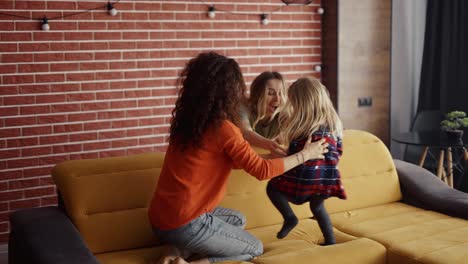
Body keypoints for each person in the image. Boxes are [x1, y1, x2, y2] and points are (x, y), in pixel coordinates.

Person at [149, 53, 329, 264]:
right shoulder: (224, 129)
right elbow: (262, 171)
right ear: (228, 90)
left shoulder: (188, 124)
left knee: (237, 219)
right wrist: (306, 154)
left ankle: (175, 252)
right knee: (255, 247)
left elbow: (219, 162)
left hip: (160, 220)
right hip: (185, 222)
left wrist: (267, 155)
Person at [266, 77, 347, 245]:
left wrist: (284, 155)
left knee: (272, 187)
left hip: (304, 181)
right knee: (317, 207)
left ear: (300, 104)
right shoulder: (333, 126)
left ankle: (290, 217)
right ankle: (331, 240)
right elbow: (338, 151)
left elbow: (296, 158)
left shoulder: (304, 132)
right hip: (326, 181)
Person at [239, 71, 288, 156]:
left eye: (280, 93)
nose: (277, 99)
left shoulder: (284, 113)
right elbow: (246, 133)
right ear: (257, 94)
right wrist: (270, 144)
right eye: (270, 93)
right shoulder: (243, 108)